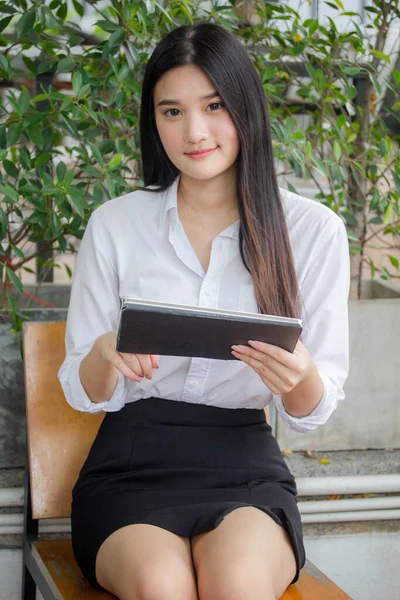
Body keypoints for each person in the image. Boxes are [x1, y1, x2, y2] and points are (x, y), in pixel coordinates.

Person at [58, 21, 350, 600]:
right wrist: (102, 352)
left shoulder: (313, 231)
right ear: (154, 122)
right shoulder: (115, 225)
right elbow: (81, 389)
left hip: (246, 465)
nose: (194, 131)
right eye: (171, 111)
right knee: (161, 586)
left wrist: (302, 377)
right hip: (129, 465)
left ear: (245, 106)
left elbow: (314, 410)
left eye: (214, 105)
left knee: (238, 584)